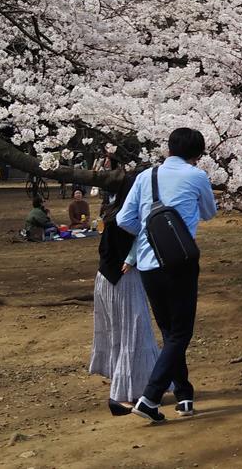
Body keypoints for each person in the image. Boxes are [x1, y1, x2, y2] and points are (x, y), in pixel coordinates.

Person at [117, 128, 217, 423]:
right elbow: (209, 213)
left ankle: (184, 395)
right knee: (181, 332)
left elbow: (124, 219)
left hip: (148, 265)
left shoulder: (145, 176)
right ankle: (150, 398)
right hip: (180, 262)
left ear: (169, 148)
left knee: (170, 332)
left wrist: (149, 233)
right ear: (197, 154)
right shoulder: (196, 176)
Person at [89, 174, 162, 416]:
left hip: (105, 278)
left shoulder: (112, 212)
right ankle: (121, 395)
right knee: (135, 332)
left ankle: (133, 389)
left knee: (121, 333)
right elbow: (141, 240)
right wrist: (132, 258)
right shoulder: (131, 216)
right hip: (124, 279)